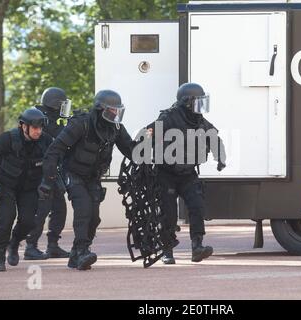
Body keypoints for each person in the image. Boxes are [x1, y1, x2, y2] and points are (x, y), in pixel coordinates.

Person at [40, 89, 135, 270]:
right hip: (72, 173)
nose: (116, 114)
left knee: (94, 218)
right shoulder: (81, 124)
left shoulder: (115, 128)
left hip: (93, 177)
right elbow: (54, 150)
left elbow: (130, 150)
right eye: (112, 110)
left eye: (118, 110)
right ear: (101, 109)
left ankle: (76, 254)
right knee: (83, 209)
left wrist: (148, 147)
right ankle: (83, 251)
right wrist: (48, 180)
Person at [146, 82, 226, 264]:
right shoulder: (168, 117)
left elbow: (214, 137)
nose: (201, 107)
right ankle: (167, 250)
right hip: (166, 173)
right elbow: (148, 133)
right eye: (198, 102)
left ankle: (197, 247)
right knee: (168, 213)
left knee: (197, 206)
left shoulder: (199, 120)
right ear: (186, 102)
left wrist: (220, 157)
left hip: (188, 173)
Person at [0, 108, 52, 272]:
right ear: (23, 126)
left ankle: (15, 242)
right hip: (6, 186)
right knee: (6, 219)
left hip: (29, 189)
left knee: (28, 222)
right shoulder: (8, 139)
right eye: (35, 127)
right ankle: (0, 254)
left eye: (41, 127)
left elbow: (58, 155)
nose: (39, 131)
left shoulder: (45, 141)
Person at [24, 87, 71, 260]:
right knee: (41, 209)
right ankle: (31, 246)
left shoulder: (53, 119)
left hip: (52, 171)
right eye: (62, 105)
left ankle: (53, 246)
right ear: (55, 104)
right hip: (38, 172)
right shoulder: (37, 118)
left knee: (60, 208)